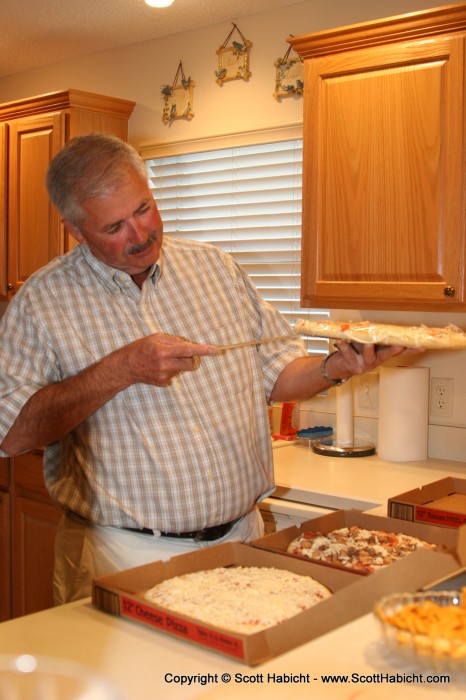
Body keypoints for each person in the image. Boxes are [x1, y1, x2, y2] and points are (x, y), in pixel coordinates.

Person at [0, 134, 418, 604]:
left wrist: (336, 366)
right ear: (76, 231)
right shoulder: (41, 302)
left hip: (242, 540)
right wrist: (120, 369)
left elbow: (278, 372)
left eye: (143, 209)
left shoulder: (214, 268)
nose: (140, 235)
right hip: (119, 553)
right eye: (115, 226)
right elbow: (12, 434)